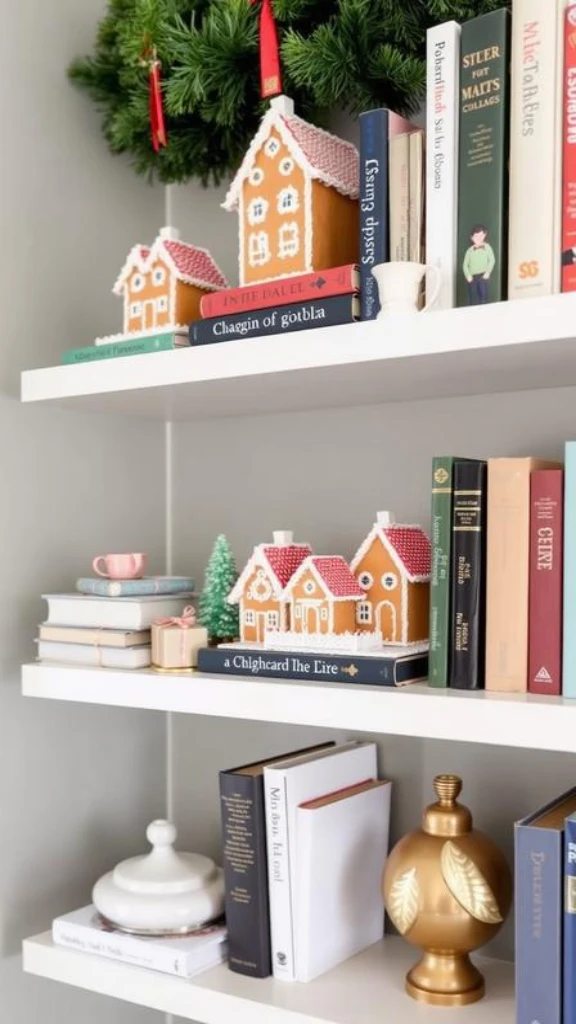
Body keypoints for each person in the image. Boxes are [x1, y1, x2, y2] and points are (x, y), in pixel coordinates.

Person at [462, 224, 496, 305]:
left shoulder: (487, 247)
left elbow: (492, 260)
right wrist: (468, 276)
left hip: (483, 276)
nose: (478, 238)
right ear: (472, 238)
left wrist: (487, 272)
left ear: (484, 235)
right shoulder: (469, 250)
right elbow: (465, 265)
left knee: (483, 295)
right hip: (472, 277)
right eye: (476, 236)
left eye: (481, 235)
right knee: (472, 296)